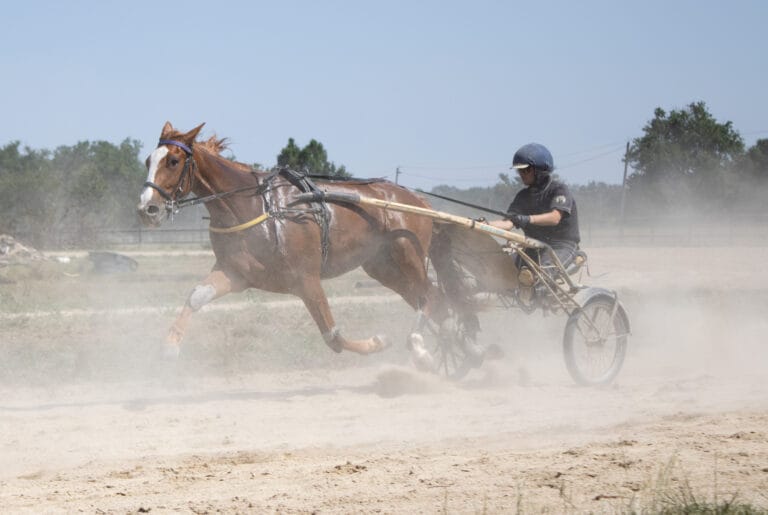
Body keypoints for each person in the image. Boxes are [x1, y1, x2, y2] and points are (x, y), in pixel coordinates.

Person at [488, 143, 581, 290]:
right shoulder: (522, 196)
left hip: (561, 246)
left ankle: (536, 291)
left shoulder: (559, 189)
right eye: (520, 171)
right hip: (533, 247)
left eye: (526, 170)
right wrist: (482, 224)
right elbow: (507, 223)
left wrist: (527, 219)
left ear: (540, 170)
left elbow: (555, 217)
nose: (522, 175)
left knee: (540, 276)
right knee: (500, 270)